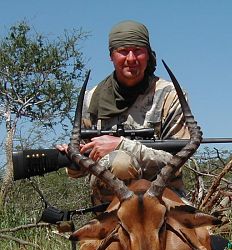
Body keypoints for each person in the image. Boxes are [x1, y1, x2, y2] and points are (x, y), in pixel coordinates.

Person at [57, 20, 191, 207]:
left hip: (164, 197)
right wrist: (73, 159)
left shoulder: (170, 95)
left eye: (138, 50)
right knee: (120, 162)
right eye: (123, 51)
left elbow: (177, 162)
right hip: (109, 201)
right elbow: (78, 171)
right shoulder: (91, 98)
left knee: (203, 233)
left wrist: (122, 145)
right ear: (111, 55)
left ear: (148, 54)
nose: (131, 58)